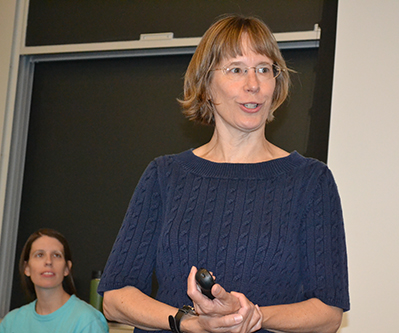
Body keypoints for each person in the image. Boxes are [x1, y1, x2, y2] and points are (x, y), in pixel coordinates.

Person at [98, 14, 349, 333]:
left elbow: (328, 312)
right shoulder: (164, 175)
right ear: (206, 84)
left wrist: (252, 316)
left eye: (264, 69)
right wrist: (189, 323)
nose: (254, 84)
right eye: (237, 69)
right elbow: (116, 298)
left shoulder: (312, 181)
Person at [0, 228, 109, 333]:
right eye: (39, 255)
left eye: (56, 255)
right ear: (26, 268)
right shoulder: (10, 323)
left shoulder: (88, 321)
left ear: (67, 268)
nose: (48, 261)